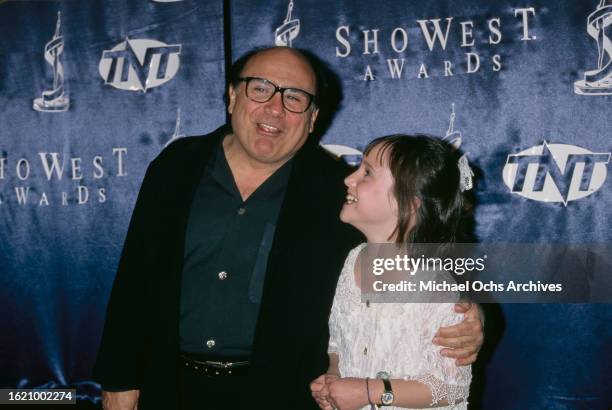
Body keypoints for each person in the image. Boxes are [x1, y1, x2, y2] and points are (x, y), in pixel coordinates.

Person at [93, 47, 484, 410]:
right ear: (232, 96)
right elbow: (135, 278)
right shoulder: (175, 166)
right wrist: (118, 379)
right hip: (168, 387)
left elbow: (411, 251)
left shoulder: (338, 190)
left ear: (313, 117)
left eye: (294, 97)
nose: (275, 108)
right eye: (260, 89)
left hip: (283, 395)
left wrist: (467, 310)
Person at [311, 135, 474, 409]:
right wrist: (333, 377)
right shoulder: (350, 261)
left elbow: (451, 387)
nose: (349, 179)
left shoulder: (435, 288)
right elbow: (338, 343)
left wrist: (370, 391)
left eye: (367, 173)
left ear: (410, 203)